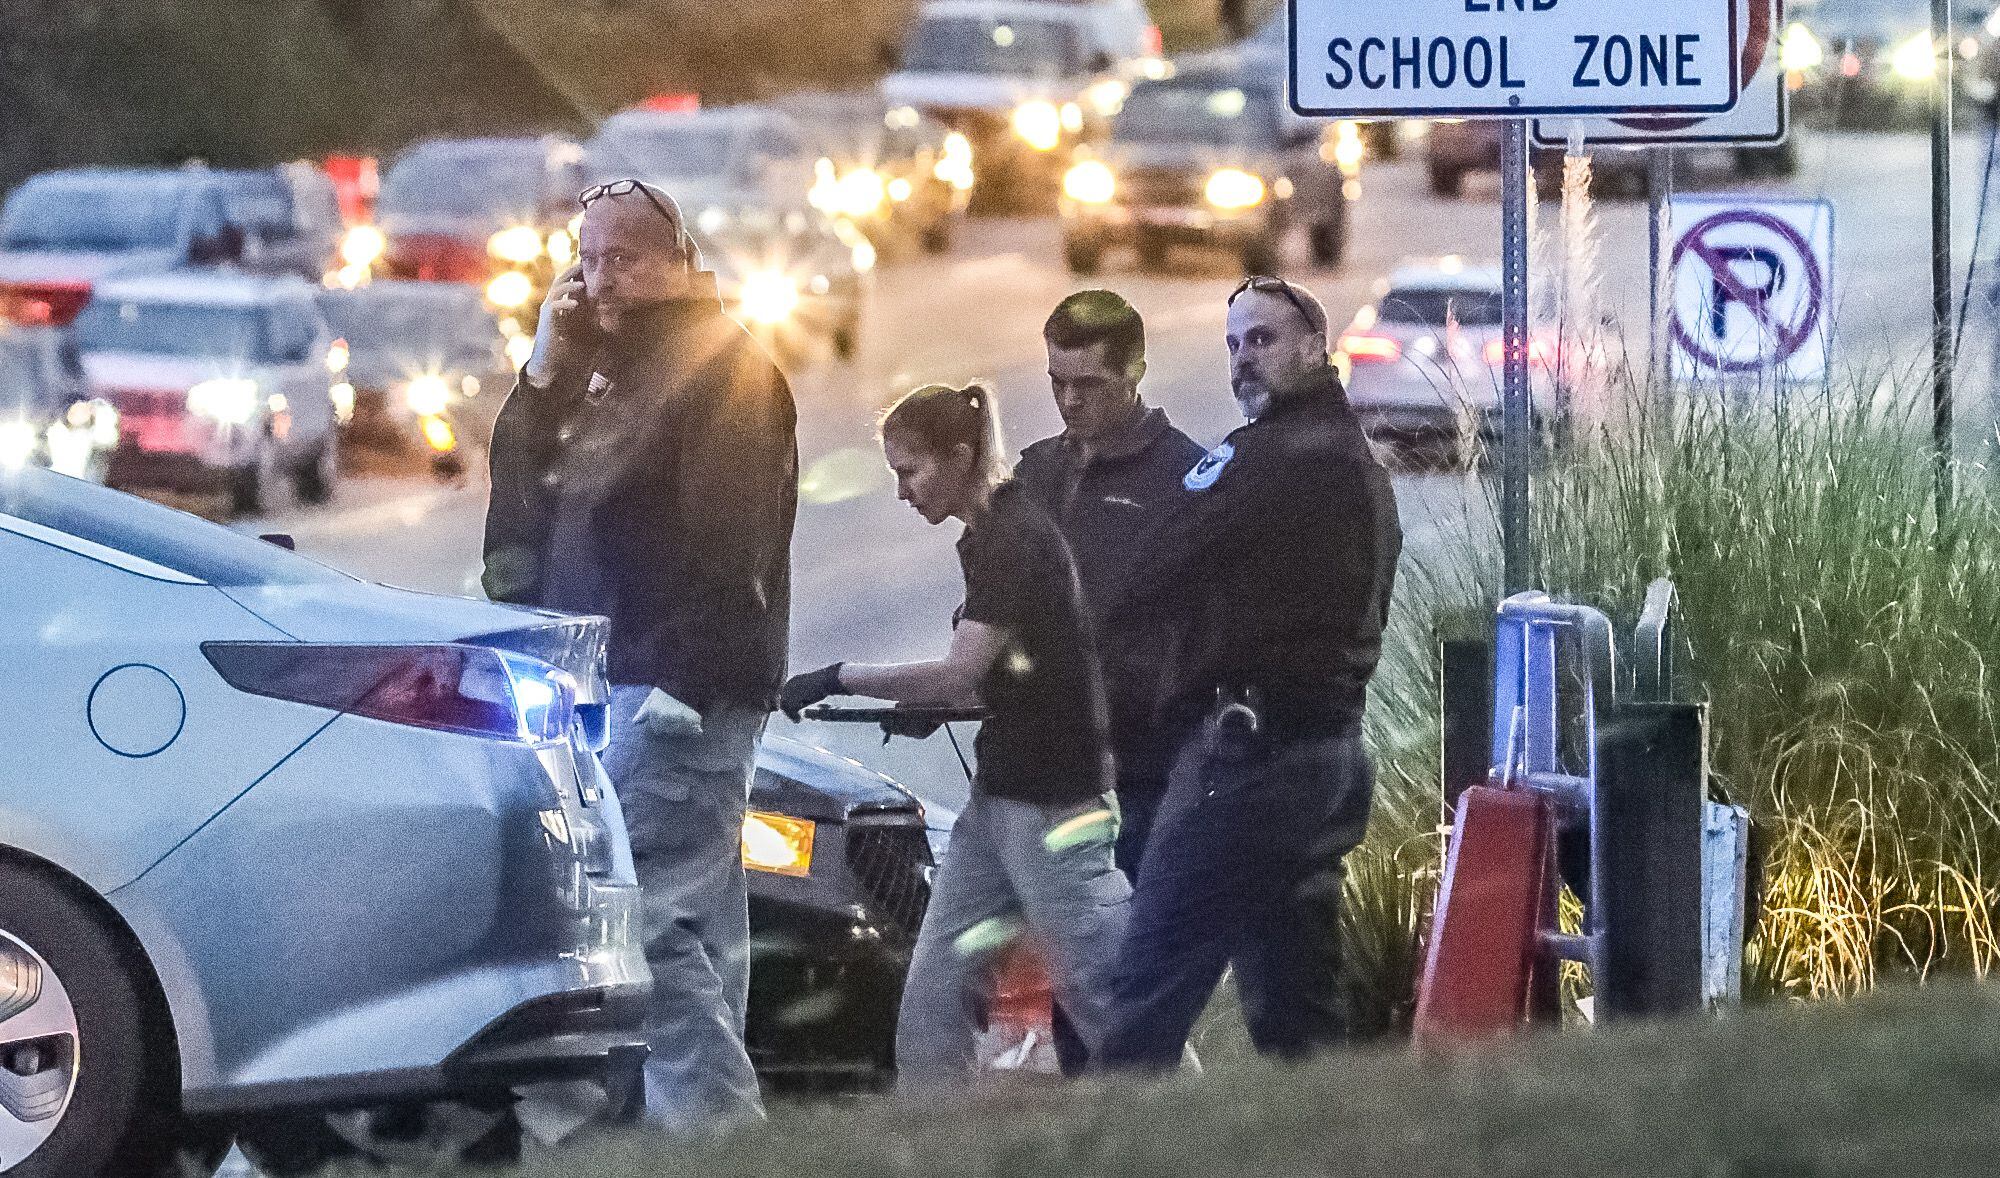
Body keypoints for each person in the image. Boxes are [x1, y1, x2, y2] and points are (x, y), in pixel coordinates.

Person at [482, 179, 797, 1132]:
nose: (600, 276)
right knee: (692, 923)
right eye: (587, 256)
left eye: (623, 256)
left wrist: (685, 687)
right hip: (595, 684)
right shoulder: (594, 370)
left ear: (678, 262)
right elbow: (516, 518)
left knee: (636, 919)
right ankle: (661, 1137)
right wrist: (540, 376)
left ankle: (717, 1130)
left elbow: (728, 542)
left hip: (671, 692)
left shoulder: (721, 370)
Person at [778, 382, 1130, 1090]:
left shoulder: (1012, 538)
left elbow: (957, 671)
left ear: (961, 456)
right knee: (934, 1007)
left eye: (911, 471)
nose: (903, 492)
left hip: (1051, 809)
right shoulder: (988, 536)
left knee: (1113, 1007)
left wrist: (841, 677)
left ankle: (1202, 1133)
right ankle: (937, 1145)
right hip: (998, 801)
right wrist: (933, 706)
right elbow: (994, 678)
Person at [1097, 276, 1402, 1072]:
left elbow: (1150, 573)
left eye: (1262, 340)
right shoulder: (1360, 466)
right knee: (1299, 1018)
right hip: (1330, 757)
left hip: (1250, 763)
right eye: (1232, 344)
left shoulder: (1267, 458)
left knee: (1143, 993)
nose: (1243, 361)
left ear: (1314, 347)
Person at [1016, 290, 1206, 882]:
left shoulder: (1186, 480)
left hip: (1142, 777)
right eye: (1057, 382)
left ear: (1135, 373)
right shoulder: (1036, 471)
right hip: (1038, 768)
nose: (1069, 402)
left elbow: (1202, 632)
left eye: (1090, 385)